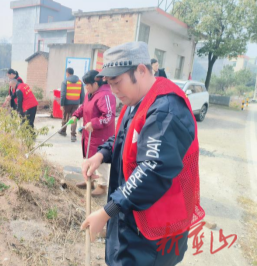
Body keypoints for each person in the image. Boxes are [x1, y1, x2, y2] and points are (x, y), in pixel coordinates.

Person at [80, 42, 205, 265]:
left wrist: (107, 211)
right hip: (133, 219)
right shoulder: (135, 101)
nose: (115, 91)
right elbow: (123, 138)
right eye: (110, 84)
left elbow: (152, 170)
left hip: (155, 231)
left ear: (141, 70)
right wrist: (100, 154)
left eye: (118, 82)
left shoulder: (166, 110)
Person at [70, 70, 116, 197]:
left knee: (100, 160)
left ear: (96, 84)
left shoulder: (106, 95)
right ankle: (89, 180)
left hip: (101, 136)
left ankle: (102, 185)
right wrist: (75, 116)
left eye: (87, 85)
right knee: (88, 157)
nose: (86, 88)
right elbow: (83, 107)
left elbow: (108, 116)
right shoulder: (89, 94)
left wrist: (94, 123)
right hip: (89, 134)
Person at [59, 67, 85, 142]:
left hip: (67, 103)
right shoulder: (80, 82)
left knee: (65, 117)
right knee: (74, 118)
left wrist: (62, 104)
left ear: (67, 73)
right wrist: (80, 102)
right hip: (76, 103)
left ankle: (63, 131)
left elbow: (63, 94)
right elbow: (82, 94)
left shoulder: (65, 81)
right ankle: (73, 135)